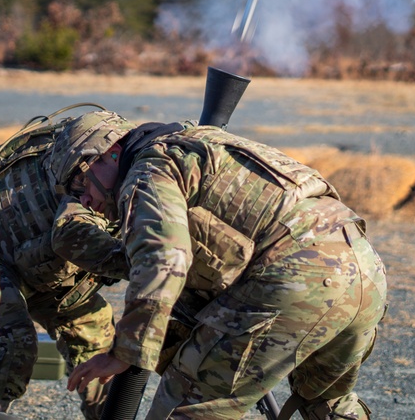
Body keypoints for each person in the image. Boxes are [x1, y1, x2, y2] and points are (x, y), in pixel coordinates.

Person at [63, 110, 388, 420]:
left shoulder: (147, 171)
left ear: (112, 152)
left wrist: (125, 352)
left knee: (186, 406)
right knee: (324, 401)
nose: (85, 200)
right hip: (364, 269)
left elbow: (162, 260)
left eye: (81, 182)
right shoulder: (201, 143)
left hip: (299, 277)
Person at [0, 106, 133, 419]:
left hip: (54, 276)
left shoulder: (140, 171)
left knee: (101, 349)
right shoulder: (88, 180)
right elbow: (69, 234)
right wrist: (140, 265)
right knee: (14, 346)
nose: (84, 194)